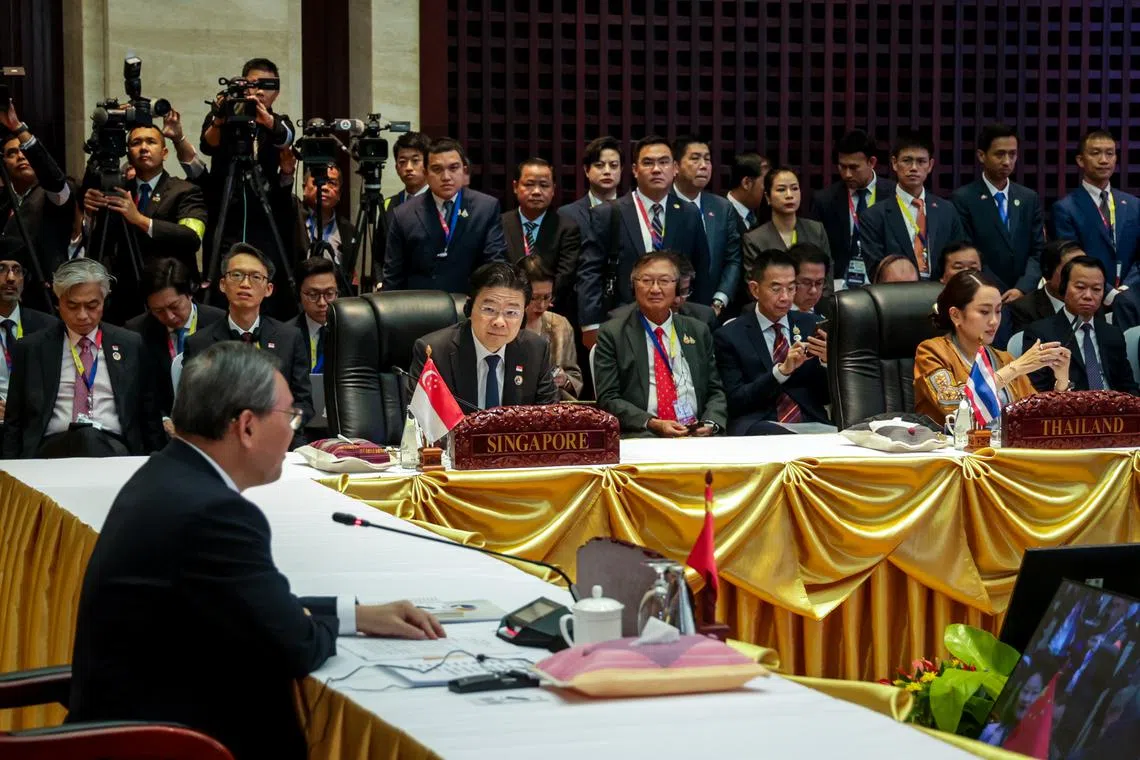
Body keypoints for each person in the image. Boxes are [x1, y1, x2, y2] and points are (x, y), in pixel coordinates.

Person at [67, 342, 445, 760]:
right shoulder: (216, 513)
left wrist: (354, 616)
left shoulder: (167, 473)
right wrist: (314, 627)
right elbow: (295, 645)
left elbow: (243, 605)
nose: (294, 431)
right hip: (170, 743)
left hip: (130, 726)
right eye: (290, 416)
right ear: (246, 426)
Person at [2, 258, 163, 457]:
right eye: (72, 306)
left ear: (104, 301)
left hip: (113, 447)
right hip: (52, 449)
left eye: (92, 305)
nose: (82, 315)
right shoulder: (32, 348)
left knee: (89, 438)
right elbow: (14, 422)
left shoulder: (130, 345)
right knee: (84, 438)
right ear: (58, 302)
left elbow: (149, 416)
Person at [576, 135, 710, 344]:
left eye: (663, 162)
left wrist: (700, 321)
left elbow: (701, 270)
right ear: (635, 170)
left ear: (675, 168)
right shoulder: (609, 213)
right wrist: (591, 325)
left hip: (677, 321)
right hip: (621, 321)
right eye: (648, 163)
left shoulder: (689, 213)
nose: (656, 169)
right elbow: (590, 272)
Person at [184, 243, 313, 449]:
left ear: (268, 289)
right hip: (221, 445)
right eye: (236, 275)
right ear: (223, 284)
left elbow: (304, 404)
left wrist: (282, 427)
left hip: (280, 441)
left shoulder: (290, 338)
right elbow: (193, 408)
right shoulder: (199, 343)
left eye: (255, 277)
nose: (245, 284)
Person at [199, 57, 297, 318]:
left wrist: (266, 120)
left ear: (277, 92)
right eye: (254, 83)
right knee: (222, 276)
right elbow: (207, 145)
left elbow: (287, 137)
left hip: (263, 217)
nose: (260, 90)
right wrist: (220, 118)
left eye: (267, 85)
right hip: (225, 213)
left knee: (263, 275)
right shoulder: (224, 114)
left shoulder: (278, 121)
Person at [81, 124, 209, 321]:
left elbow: (191, 237)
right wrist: (90, 215)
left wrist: (140, 220)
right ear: (128, 153)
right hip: (124, 298)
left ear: (164, 153)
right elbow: (101, 244)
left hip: (168, 293)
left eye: (151, 142)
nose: (143, 148)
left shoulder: (185, 190)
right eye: (136, 143)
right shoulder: (117, 191)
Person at [593, 250, 726, 437]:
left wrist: (711, 422)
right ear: (633, 285)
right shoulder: (612, 333)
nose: (655, 289)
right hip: (643, 433)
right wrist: (653, 423)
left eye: (664, 281)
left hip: (696, 432)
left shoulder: (697, 330)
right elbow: (608, 398)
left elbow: (715, 391)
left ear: (676, 287)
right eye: (646, 281)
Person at [913, 271, 1070, 423]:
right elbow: (952, 404)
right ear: (956, 315)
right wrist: (1015, 368)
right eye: (984, 311)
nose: (994, 321)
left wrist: (1061, 382)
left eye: (998, 311)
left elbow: (1038, 415)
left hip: (1002, 441)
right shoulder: (932, 352)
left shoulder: (1004, 359)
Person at [407, 262, 558, 410]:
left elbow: (550, 417)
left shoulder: (536, 350)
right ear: (469, 308)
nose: (499, 322)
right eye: (489, 309)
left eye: (511, 312)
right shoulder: (434, 353)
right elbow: (420, 419)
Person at [714, 250, 830, 435]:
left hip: (812, 424)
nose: (785, 297)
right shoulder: (730, 335)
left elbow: (826, 397)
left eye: (791, 288)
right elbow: (735, 400)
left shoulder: (811, 326)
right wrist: (781, 371)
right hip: (759, 424)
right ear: (755, 289)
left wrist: (827, 363)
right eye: (776, 289)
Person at [382, 137, 507, 293]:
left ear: (464, 170)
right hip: (419, 303)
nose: (446, 177)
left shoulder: (486, 208)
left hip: (469, 301)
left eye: (453, 168)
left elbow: (495, 264)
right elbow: (393, 276)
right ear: (426, 173)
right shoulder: (404, 214)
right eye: (437, 169)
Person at [951, 124, 1045, 301]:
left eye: (1012, 154)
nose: (1007, 161)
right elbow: (968, 253)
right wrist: (996, 289)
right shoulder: (963, 199)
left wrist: (1022, 288)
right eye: (1000, 154)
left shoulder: (1028, 198)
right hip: (983, 293)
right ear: (982, 155)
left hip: (1025, 295)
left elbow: (1038, 251)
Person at [125, 257, 226, 418]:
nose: (169, 316)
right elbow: (140, 394)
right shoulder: (137, 332)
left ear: (189, 293)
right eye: (158, 311)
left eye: (174, 306)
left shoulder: (219, 322)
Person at [1022, 256, 1138, 394]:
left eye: (1096, 289)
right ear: (1064, 288)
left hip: (1112, 405)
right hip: (1067, 405)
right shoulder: (1040, 333)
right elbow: (1036, 392)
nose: (1088, 296)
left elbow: (1128, 388)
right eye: (1080, 287)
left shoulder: (1112, 334)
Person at [861, 130, 966, 280]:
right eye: (907, 161)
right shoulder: (874, 216)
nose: (914, 168)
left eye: (921, 161)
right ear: (894, 163)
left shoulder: (947, 210)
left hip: (939, 289)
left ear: (930, 165)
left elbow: (958, 258)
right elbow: (875, 269)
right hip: (896, 291)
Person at [0, 99, 75, 311]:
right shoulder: (4, 199)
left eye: (24, 151)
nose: (20, 156)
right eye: (11, 153)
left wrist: (19, 128)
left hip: (44, 302)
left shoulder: (53, 196)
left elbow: (54, 179)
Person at [1052, 129, 1140, 288]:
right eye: (1095, 153)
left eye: (1110, 153)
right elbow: (1072, 260)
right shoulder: (1065, 208)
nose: (1104, 160)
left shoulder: (1134, 204)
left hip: (1131, 295)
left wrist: (1126, 289)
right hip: (1089, 293)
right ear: (1080, 160)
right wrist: (1109, 293)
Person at [809, 130, 895, 290]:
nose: (847, 174)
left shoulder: (893, 195)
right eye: (842, 167)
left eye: (854, 167)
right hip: (839, 286)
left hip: (884, 286)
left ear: (872, 162)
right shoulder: (825, 200)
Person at [672, 135, 741, 316]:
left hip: (711, 310)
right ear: (675, 166)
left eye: (707, 159)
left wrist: (719, 301)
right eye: (695, 159)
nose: (703, 165)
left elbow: (733, 259)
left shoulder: (722, 207)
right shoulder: (664, 204)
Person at [501, 157, 580, 314]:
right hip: (507, 307)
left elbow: (565, 274)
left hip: (550, 310)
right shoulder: (500, 224)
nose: (536, 191)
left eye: (544, 185)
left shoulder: (567, 228)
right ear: (515, 187)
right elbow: (497, 265)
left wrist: (540, 299)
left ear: (553, 189)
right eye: (529, 184)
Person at [742, 167, 832, 298]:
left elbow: (827, 281)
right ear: (767, 197)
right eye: (781, 190)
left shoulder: (816, 230)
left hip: (813, 305)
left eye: (794, 188)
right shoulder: (754, 239)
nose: (789, 195)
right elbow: (755, 288)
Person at [0, 239, 59, 420]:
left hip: (32, 420)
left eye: (17, 270)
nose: (11, 278)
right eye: (2, 269)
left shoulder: (48, 327)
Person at [518, 257, 583, 399]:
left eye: (547, 297)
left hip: (552, 403)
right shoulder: (506, 325)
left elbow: (575, 377)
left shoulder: (561, 325)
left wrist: (564, 380)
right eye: (534, 298)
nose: (541, 305)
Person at [288, 164, 356, 295]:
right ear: (304, 188)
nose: (324, 187)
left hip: (333, 300)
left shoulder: (348, 230)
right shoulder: (292, 217)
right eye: (317, 181)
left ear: (339, 193)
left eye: (332, 183)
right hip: (296, 299)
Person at [608, 257, 718, 331]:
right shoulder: (619, 322)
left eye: (683, 292)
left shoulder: (704, 318)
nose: (677, 300)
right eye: (673, 290)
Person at [1008, 239, 1086, 333]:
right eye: (1070, 270)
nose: (1081, 276)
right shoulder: (1024, 310)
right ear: (1048, 272)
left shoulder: (1094, 303)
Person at [558, 136, 622, 237]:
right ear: (586, 170)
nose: (607, 171)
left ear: (621, 169)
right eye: (599, 165)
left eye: (613, 165)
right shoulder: (567, 214)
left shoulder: (633, 212)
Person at [294, 255, 337, 373]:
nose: (322, 303)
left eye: (329, 294)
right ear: (299, 294)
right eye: (313, 295)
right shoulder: (285, 335)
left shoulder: (351, 334)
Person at [725, 152, 771, 236]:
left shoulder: (761, 214)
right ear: (746, 183)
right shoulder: (720, 215)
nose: (768, 189)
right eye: (765, 182)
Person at [385, 131, 432, 212]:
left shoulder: (439, 202)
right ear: (396, 168)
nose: (408, 168)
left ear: (428, 164)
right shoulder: (389, 204)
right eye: (402, 162)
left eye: (415, 160)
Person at [790, 243, 830, 317]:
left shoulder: (831, 312)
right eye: (806, 283)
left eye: (819, 283)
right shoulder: (775, 315)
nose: (813, 291)